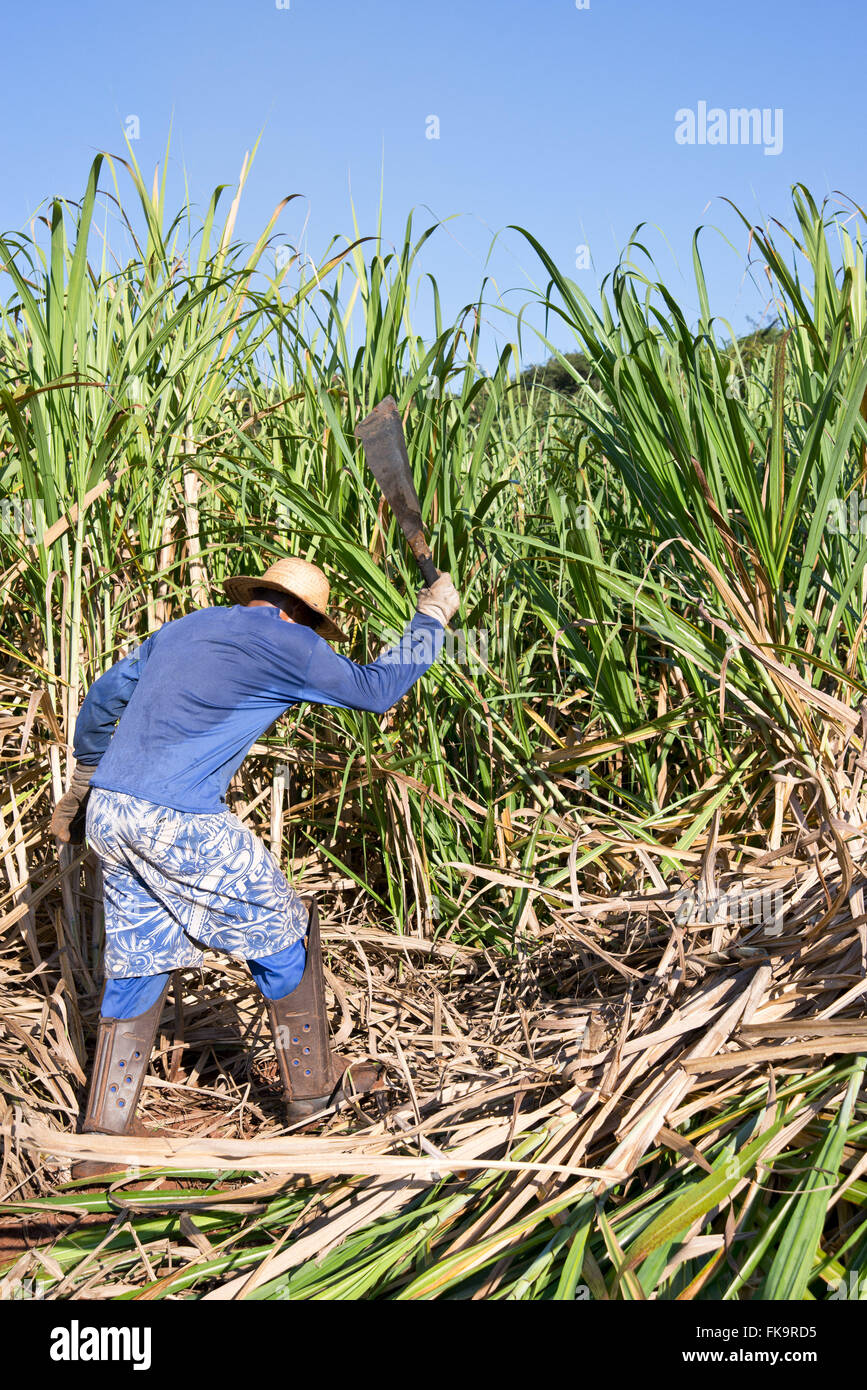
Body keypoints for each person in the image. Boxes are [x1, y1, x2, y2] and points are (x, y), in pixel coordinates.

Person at [52, 555, 460, 1177]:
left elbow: (105, 696)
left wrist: (86, 775)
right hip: (177, 818)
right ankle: (313, 1096)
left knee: (142, 953)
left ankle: (104, 1136)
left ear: (256, 594)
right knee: (286, 929)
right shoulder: (292, 643)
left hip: (111, 811)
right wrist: (431, 618)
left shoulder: (186, 626)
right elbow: (379, 691)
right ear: (303, 615)